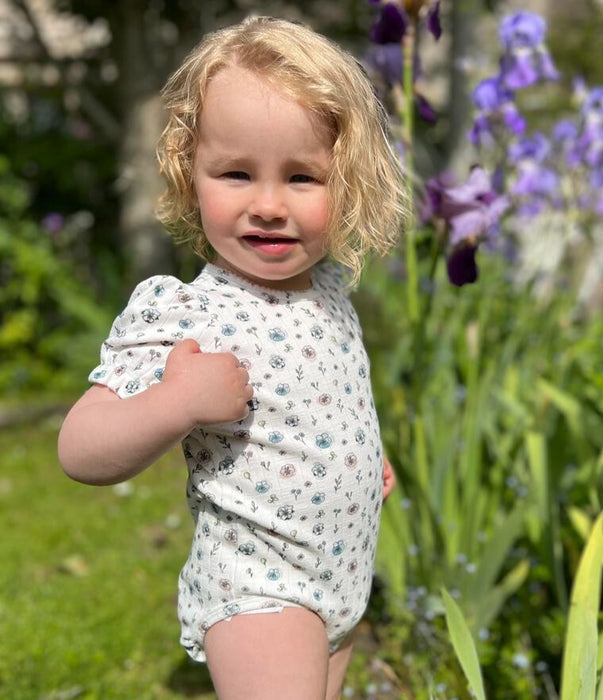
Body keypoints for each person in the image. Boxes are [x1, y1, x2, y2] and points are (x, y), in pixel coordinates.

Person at [57, 15, 406, 700]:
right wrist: (175, 403)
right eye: (237, 173)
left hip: (341, 576)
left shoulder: (331, 290)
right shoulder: (187, 315)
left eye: (303, 177)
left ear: (349, 182)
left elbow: (332, 395)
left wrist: (364, 459)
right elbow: (79, 447)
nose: (269, 205)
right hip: (258, 588)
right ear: (191, 175)